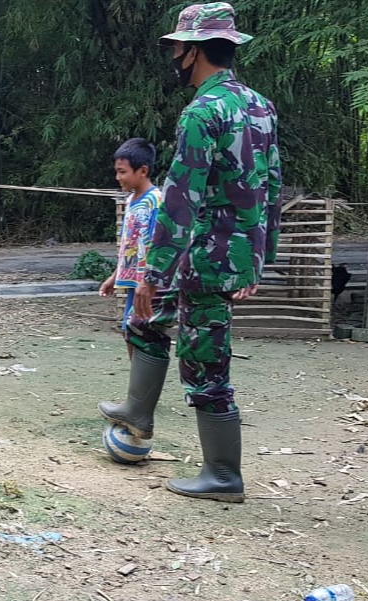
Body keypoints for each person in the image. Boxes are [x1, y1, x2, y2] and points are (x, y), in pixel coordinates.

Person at [132, 2, 282, 502]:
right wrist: (262, 255)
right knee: (150, 325)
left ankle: (223, 476)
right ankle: (137, 412)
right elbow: (271, 187)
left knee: (204, 358)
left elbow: (181, 197)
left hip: (204, 258)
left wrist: (152, 272)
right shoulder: (260, 105)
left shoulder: (202, 112)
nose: (173, 55)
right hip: (232, 254)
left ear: (193, 51)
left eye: (177, 47)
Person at [98, 138, 168, 366]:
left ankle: (143, 393)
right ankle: (138, 392)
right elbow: (129, 245)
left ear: (143, 171)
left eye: (122, 172)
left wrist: (147, 280)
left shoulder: (155, 201)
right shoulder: (131, 201)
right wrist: (114, 277)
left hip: (146, 284)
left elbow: (156, 244)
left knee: (139, 331)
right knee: (130, 331)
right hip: (132, 283)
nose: (118, 178)